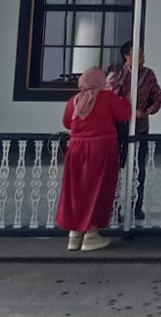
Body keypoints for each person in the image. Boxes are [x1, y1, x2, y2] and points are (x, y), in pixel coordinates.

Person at [56, 67, 130, 252]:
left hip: (76, 149)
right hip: (101, 149)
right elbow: (124, 113)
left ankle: (75, 233)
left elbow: (66, 122)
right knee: (97, 189)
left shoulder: (74, 101)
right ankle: (91, 233)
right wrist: (124, 99)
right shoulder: (107, 98)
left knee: (77, 191)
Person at [107, 41, 161, 220]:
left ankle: (136, 207)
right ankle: (114, 209)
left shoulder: (149, 75)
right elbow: (110, 101)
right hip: (118, 128)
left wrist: (150, 110)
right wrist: (131, 112)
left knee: (139, 169)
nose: (142, 58)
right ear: (127, 56)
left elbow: (158, 95)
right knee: (115, 169)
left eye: (142, 54)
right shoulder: (116, 74)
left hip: (141, 128)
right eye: (138, 54)